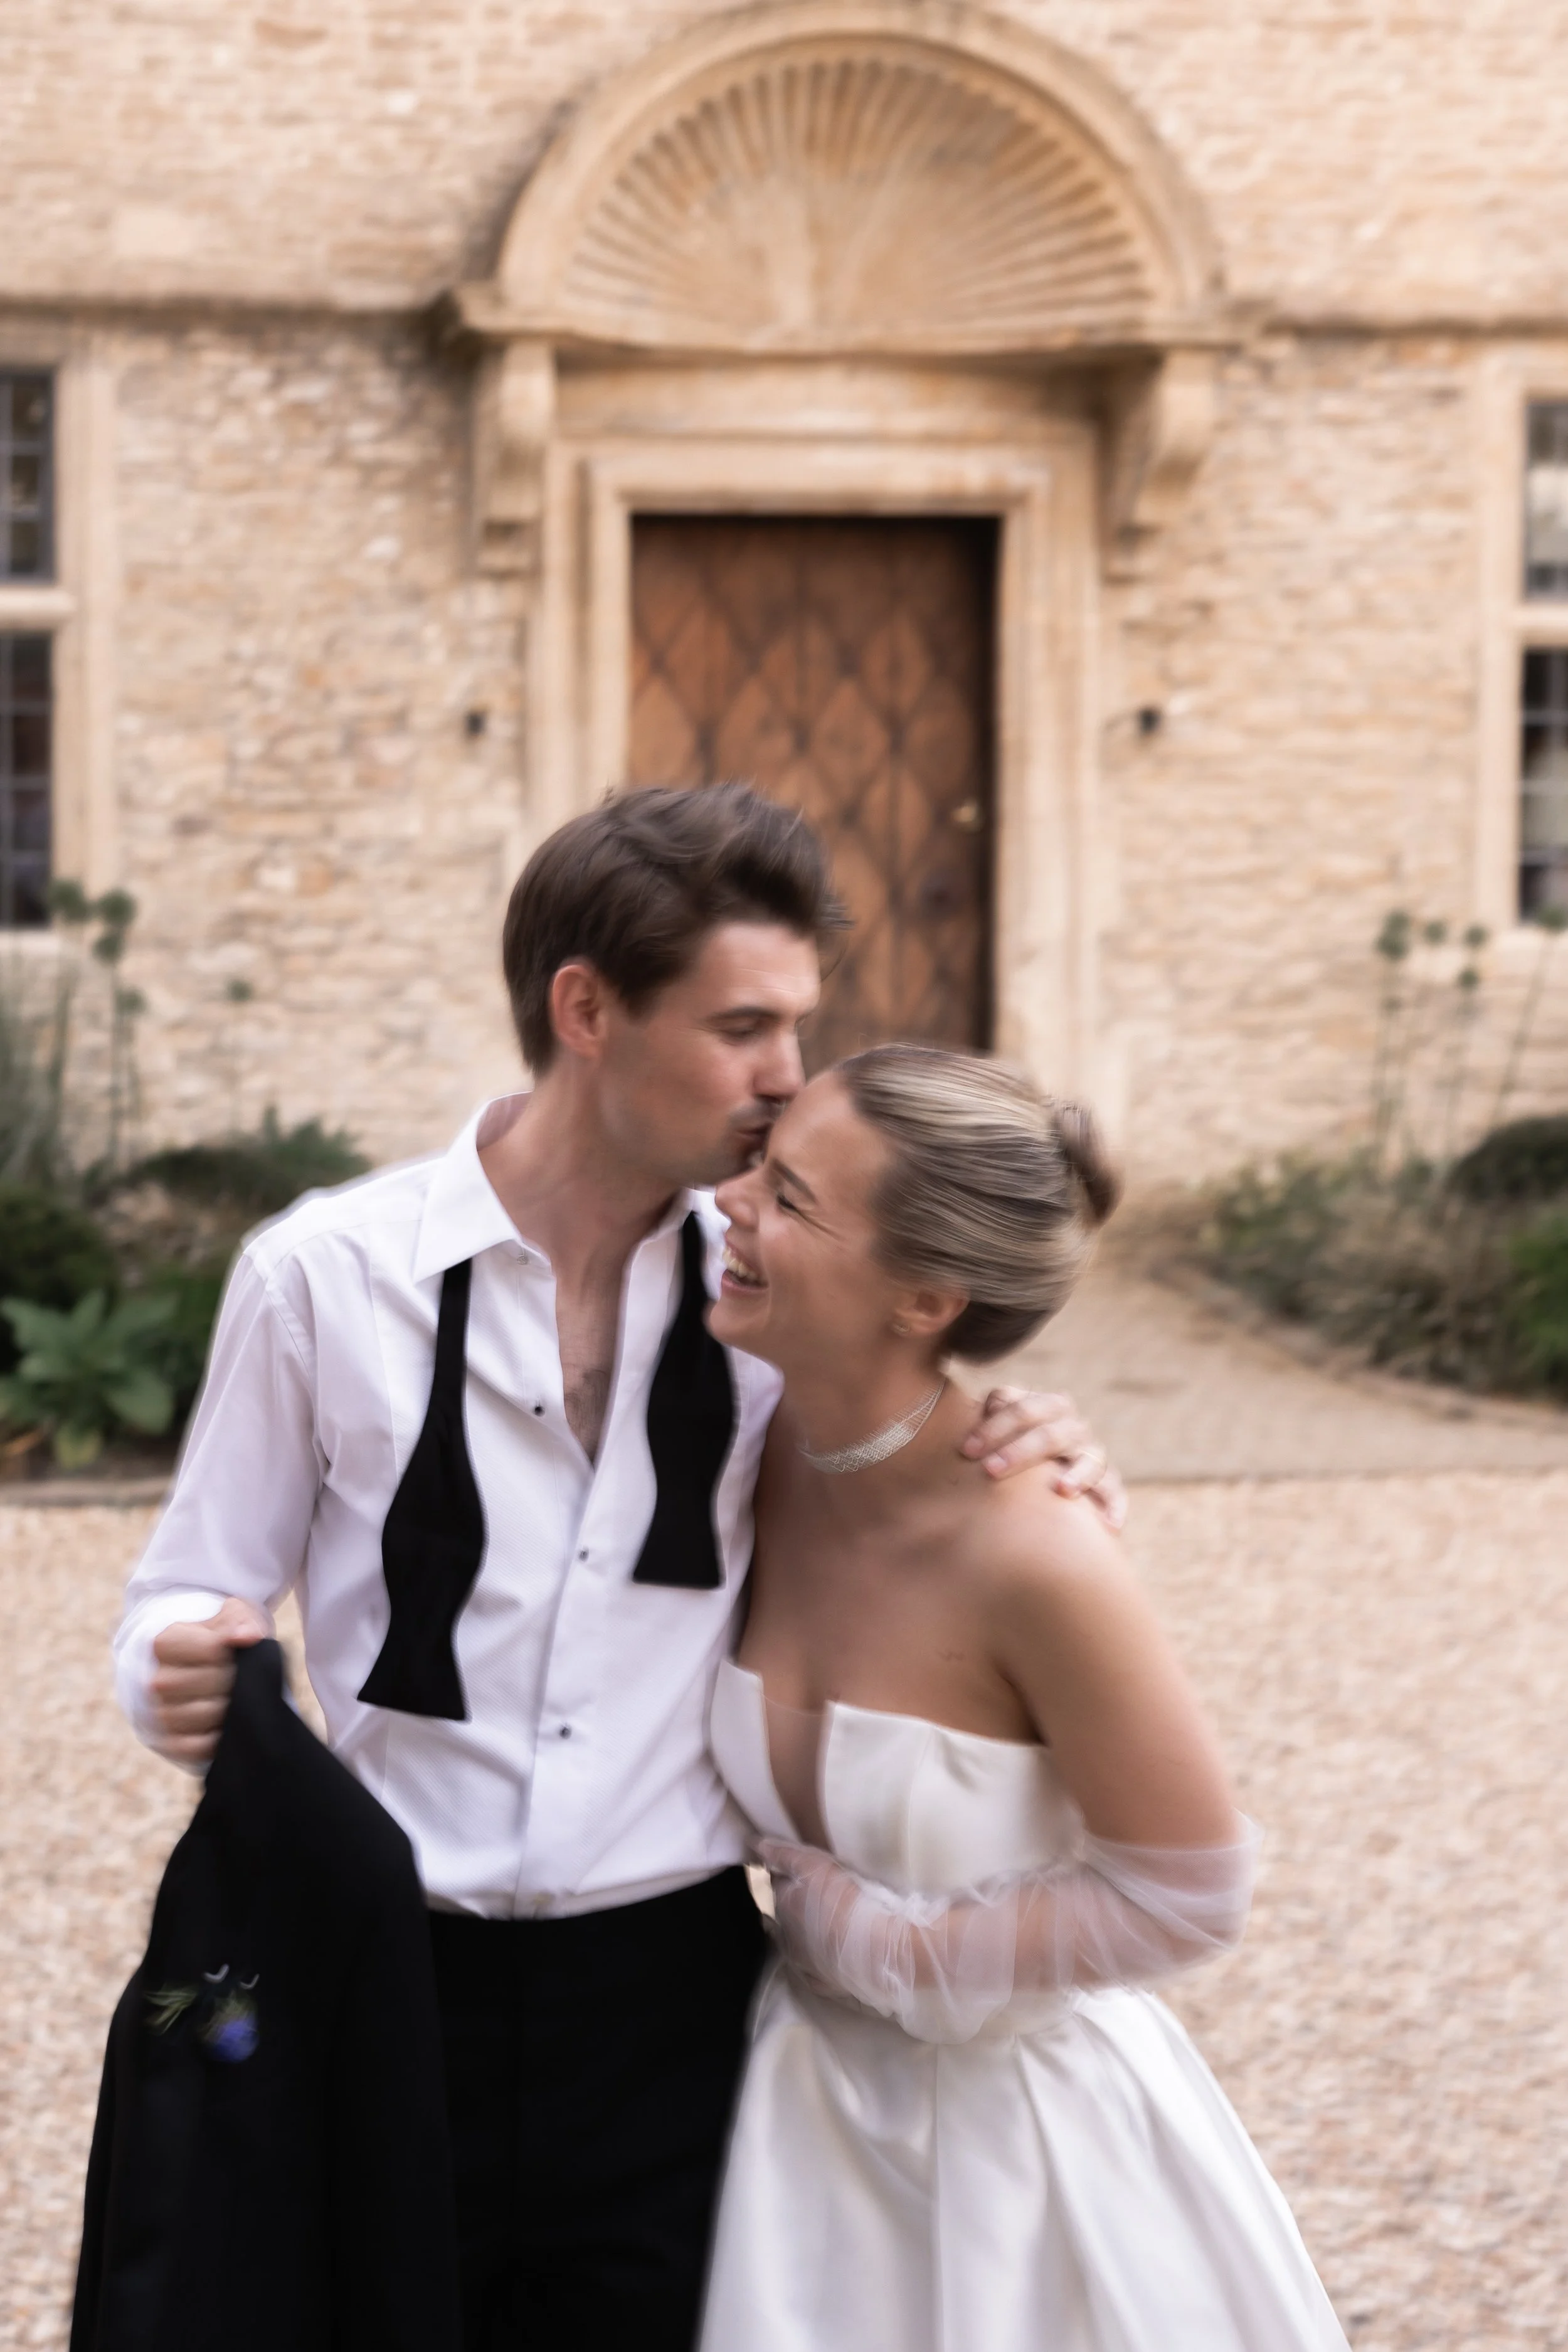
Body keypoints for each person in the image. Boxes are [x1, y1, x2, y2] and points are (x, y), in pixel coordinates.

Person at [114, 785, 1121, 2352]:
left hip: (678, 1992)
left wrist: (1031, 1440)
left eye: (798, 1023)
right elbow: (185, 1584)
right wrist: (183, 1658)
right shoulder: (321, 1278)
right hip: (381, 1980)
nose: (787, 1078)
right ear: (585, 1008)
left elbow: (914, 1454)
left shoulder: (778, 1299)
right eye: (742, 1026)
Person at [699, 1044, 1351, 2352]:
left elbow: (1188, 1891)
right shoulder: (732, 1441)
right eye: (759, 1168)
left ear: (924, 1298)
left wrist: (887, 1950)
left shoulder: (1036, 1552)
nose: (731, 1206)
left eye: (790, 1198)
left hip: (1016, 2164)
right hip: (787, 2124)